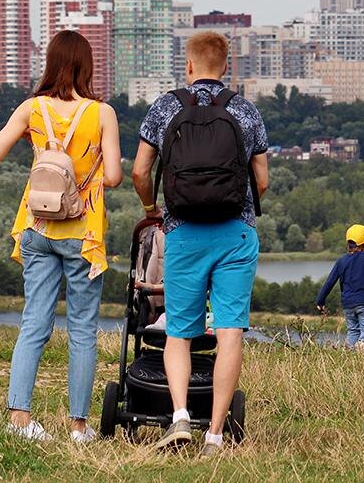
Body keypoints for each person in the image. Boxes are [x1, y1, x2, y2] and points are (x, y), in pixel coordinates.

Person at [131, 31, 269, 457]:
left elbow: (139, 171)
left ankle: (178, 417)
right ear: (226, 67)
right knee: (229, 331)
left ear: (188, 66)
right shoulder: (245, 111)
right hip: (235, 232)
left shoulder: (165, 107)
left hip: (183, 231)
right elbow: (261, 180)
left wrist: (153, 208)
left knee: (179, 331)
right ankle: (214, 435)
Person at [0, 30, 123, 443]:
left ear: (51, 63)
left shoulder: (32, 108)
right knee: (82, 328)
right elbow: (113, 176)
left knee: (34, 323)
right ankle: (79, 426)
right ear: (86, 65)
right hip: (82, 233)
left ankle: (20, 419)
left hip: (37, 227)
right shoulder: (102, 114)